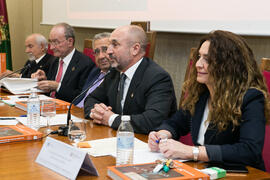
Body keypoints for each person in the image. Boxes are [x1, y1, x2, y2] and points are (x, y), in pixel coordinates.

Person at [148, 30, 270, 171]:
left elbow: (249, 150)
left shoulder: (251, 98)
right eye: (199, 57)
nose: (198, 64)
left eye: (207, 59)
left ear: (228, 65)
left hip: (238, 174)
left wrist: (192, 152)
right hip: (202, 170)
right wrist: (162, 134)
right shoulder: (201, 93)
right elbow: (175, 122)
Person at [84, 25, 177, 134]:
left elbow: (151, 121)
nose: (109, 51)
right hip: (115, 137)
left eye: (115, 45)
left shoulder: (158, 77)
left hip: (146, 143)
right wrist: (97, 113)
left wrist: (111, 119)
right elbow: (91, 99)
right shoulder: (115, 72)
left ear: (135, 49)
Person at [32, 23, 95, 103]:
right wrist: (44, 81)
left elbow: (81, 98)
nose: (51, 47)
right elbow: (51, 90)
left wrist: (57, 86)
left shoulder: (85, 63)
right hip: (49, 106)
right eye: (50, 42)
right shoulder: (54, 60)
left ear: (70, 42)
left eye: (56, 42)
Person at [74, 32, 111, 108]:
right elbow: (80, 97)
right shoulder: (95, 71)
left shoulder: (117, 76)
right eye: (97, 52)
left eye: (105, 50)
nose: (100, 56)